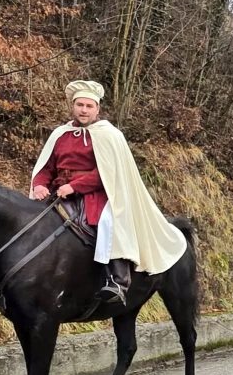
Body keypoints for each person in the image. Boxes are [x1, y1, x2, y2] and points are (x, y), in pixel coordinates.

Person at [30, 80, 187, 304]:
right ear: (72, 106)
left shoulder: (109, 135)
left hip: (98, 193)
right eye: (80, 105)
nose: (84, 110)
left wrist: (75, 186)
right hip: (59, 193)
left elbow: (108, 171)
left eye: (89, 106)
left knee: (109, 222)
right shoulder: (60, 134)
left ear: (97, 109)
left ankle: (117, 280)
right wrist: (39, 185)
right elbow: (46, 167)